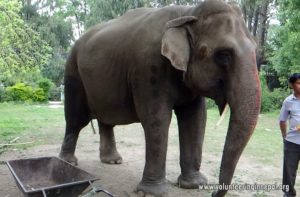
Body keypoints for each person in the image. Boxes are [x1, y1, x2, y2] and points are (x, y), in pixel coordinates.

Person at [279, 73, 300, 197]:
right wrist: (284, 137)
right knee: (289, 172)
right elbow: (282, 120)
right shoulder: (288, 101)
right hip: (292, 142)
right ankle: (289, 194)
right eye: (298, 83)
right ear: (292, 85)